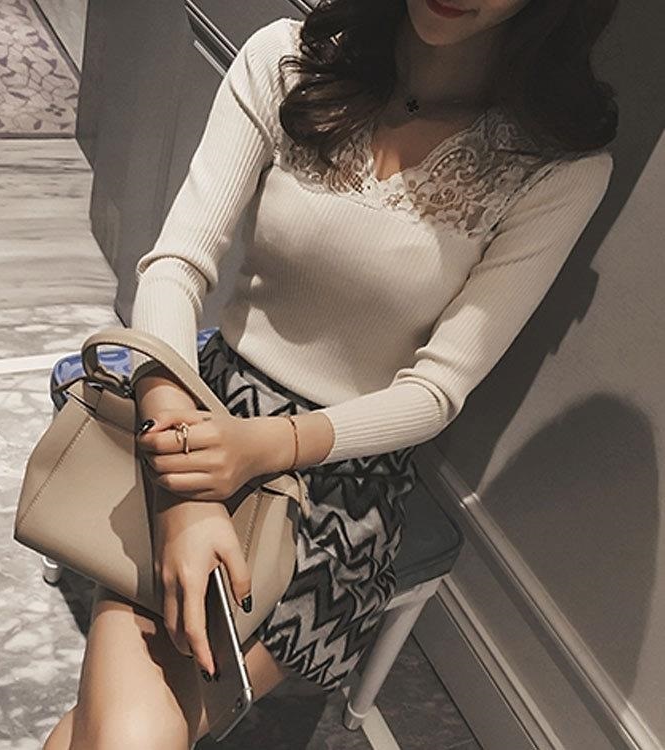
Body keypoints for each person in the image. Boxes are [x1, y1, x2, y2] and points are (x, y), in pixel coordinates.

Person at [44, 0, 618, 747]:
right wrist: (184, 480)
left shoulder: (557, 170)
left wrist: (260, 449)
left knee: (118, 734)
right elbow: (175, 265)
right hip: (196, 408)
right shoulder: (287, 62)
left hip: (343, 485)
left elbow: (436, 391)